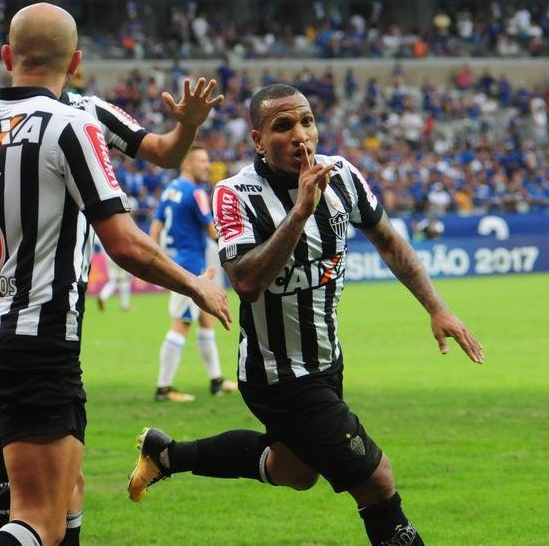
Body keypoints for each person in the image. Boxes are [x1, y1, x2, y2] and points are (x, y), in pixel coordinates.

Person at [0, 3, 231, 546]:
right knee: (36, 518)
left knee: (64, 489)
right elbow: (123, 244)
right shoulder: (75, 127)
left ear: (5, 57)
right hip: (38, 337)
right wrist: (196, 283)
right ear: (77, 61)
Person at [126, 83, 484, 546]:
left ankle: (167, 455)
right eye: (283, 126)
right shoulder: (234, 195)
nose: (301, 135)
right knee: (376, 481)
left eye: (307, 121)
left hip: (327, 363)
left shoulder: (344, 176)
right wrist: (298, 213)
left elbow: (390, 241)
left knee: (293, 471)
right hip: (278, 376)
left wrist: (438, 308)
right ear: (258, 140)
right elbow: (248, 282)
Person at [150, 142, 238, 401]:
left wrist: (157, 260)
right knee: (181, 324)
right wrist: (238, 250)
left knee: (205, 320)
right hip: (190, 267)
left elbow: (155, 226)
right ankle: (164, 388)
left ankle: (216, 381)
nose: (207, 165)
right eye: (202, 161)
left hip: (180, 263)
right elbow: (212, 231)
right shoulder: (195, 192)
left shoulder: (170, 190)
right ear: (187, 162)